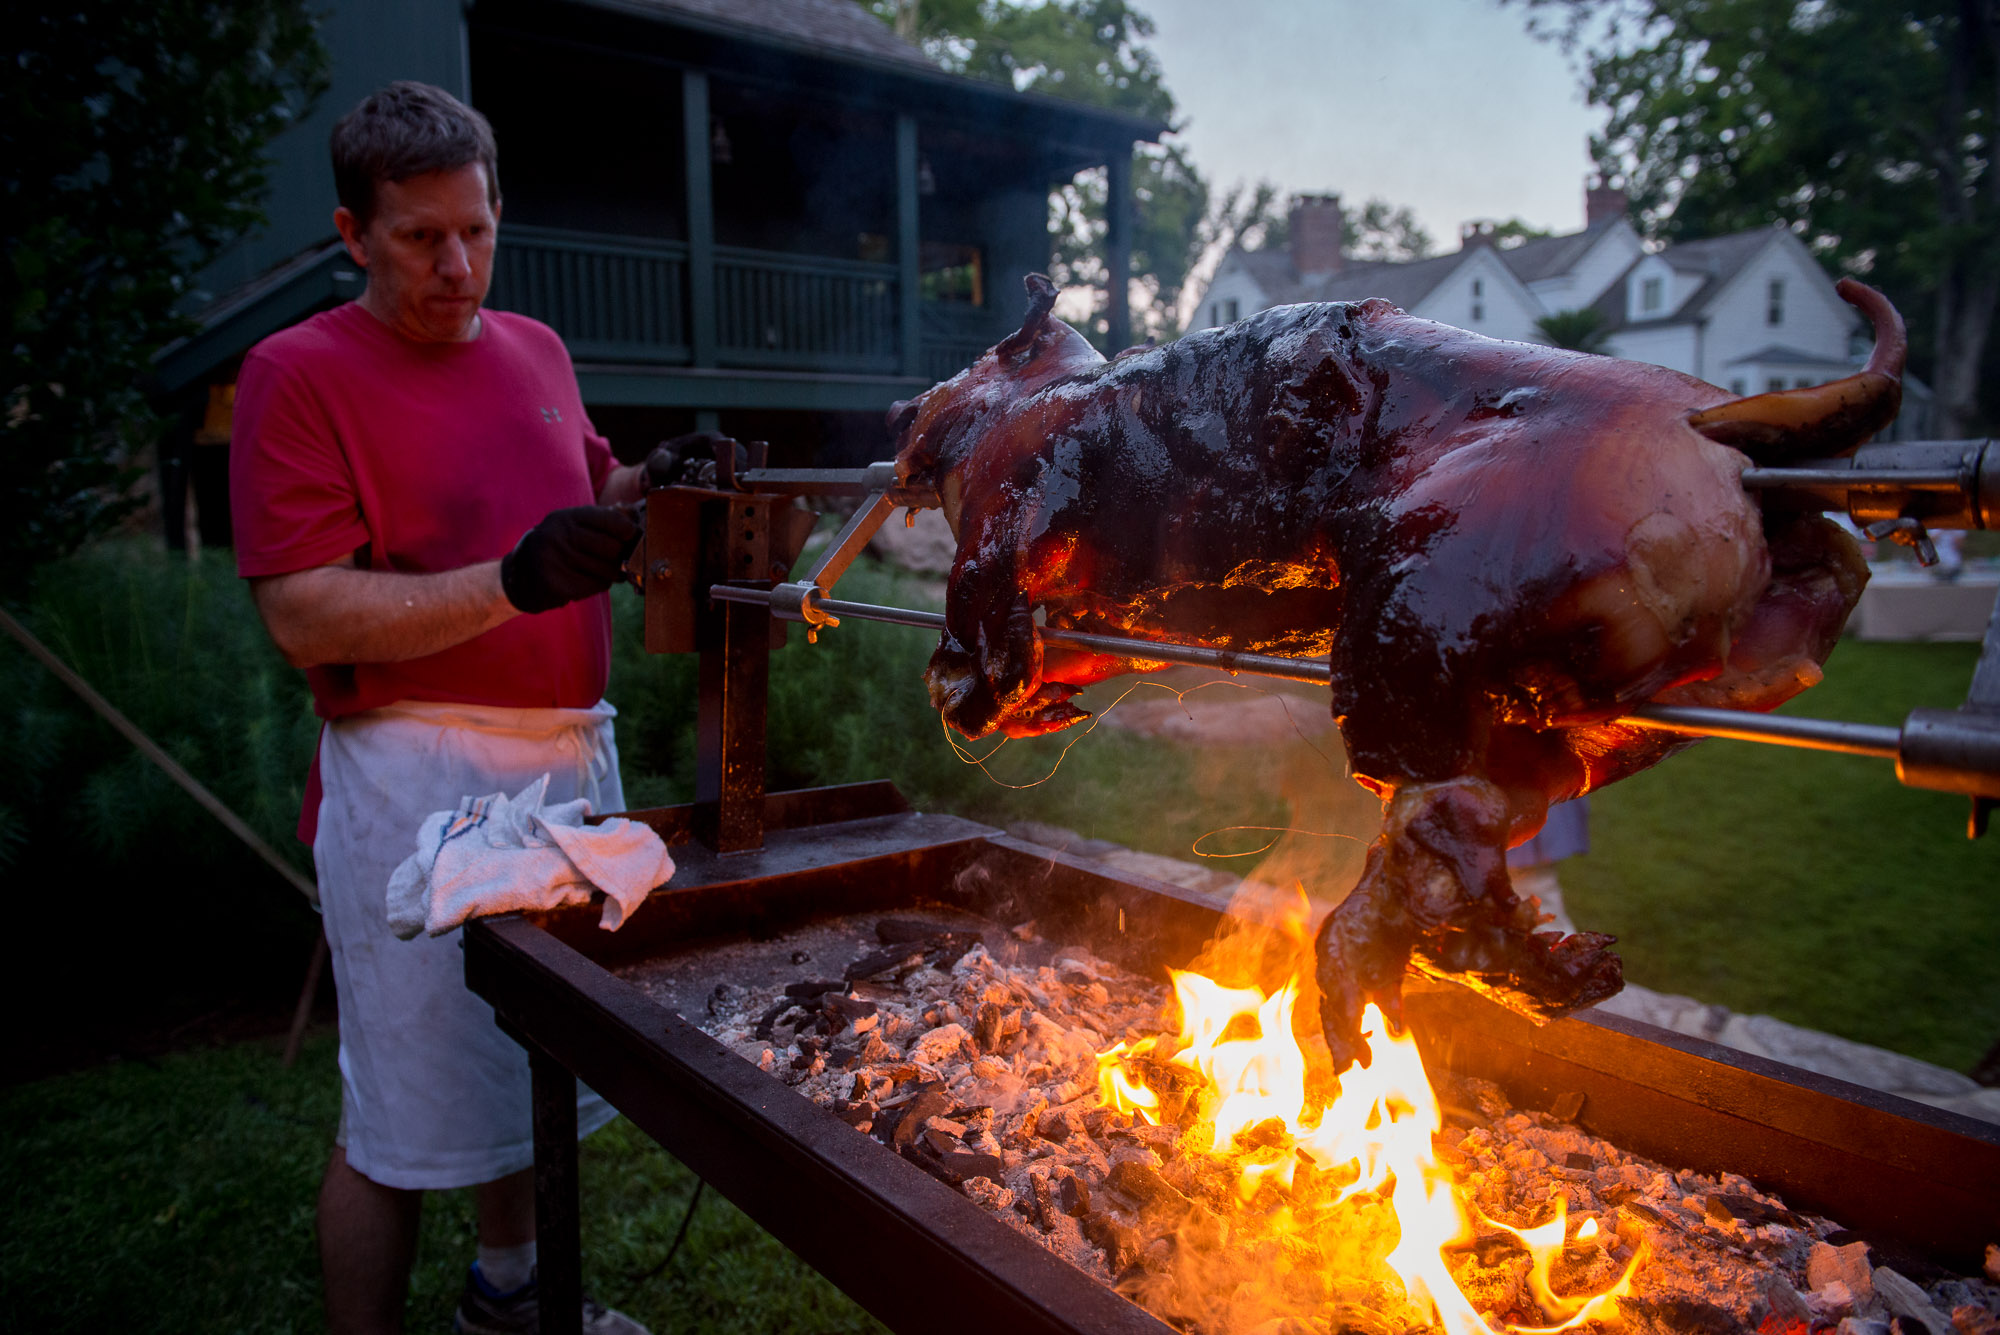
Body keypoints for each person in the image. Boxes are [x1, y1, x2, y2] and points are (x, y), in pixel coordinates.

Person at [231, 82, 689, 1335]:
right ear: (351, 234)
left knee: (525, 1066)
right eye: (421, 237)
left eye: (475, 230)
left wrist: (663, 482)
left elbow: (584, 485)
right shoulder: (297, 375)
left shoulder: (535, 347)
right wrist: (511, 583)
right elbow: (306, 612)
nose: (456, 265)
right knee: (400, 1115)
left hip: (562, 769)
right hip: (410, 782)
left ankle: (508, 1296)